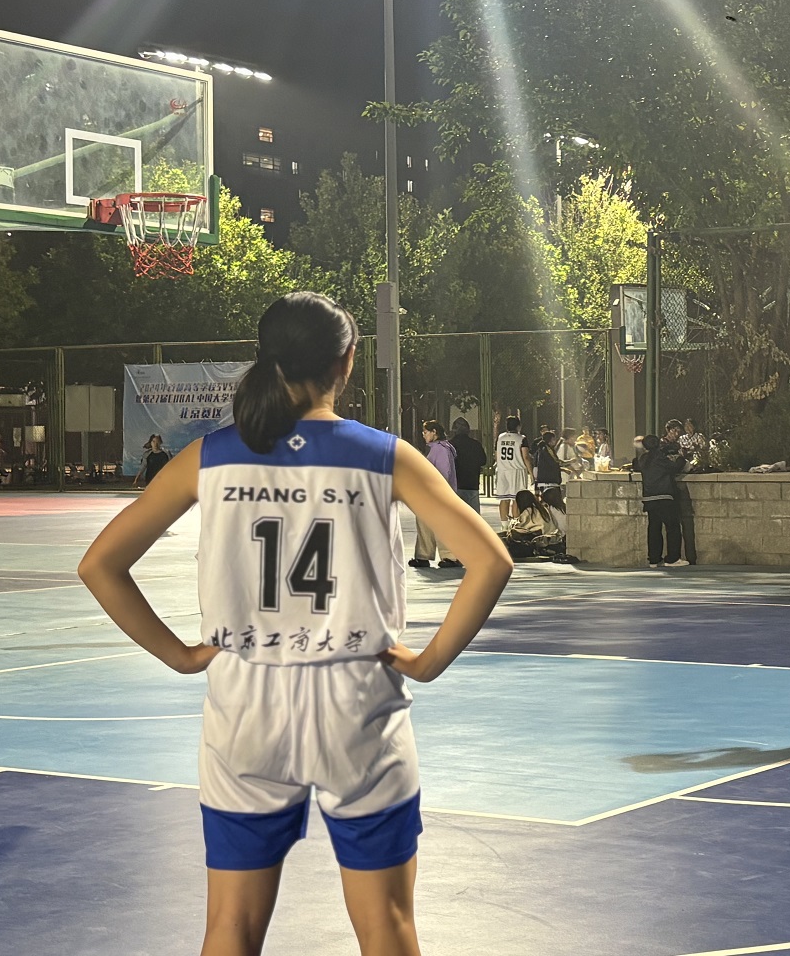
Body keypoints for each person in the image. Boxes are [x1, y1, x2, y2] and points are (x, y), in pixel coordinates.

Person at [77, 292, 512, 956]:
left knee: (230, 929)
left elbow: (100, 565)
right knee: (388, 926)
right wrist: (427, 662)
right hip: (357, 704)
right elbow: (491, 561)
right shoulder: (385, 456)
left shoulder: (210, 457)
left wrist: (180, 655)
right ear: (348, 361)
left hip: (247, 706)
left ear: (266, 359)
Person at [411, 420, 462, 570]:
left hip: (437, 494)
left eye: (426, 432)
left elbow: (443, 472)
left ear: (434, 432)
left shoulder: (440, 449)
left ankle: (450, 556)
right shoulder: (437, 448)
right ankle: (423, 555)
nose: (423, 435)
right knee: (425, 522)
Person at [633, 435, 688, 568]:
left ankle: (654, 559)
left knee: (654, 529)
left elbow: (635, 464)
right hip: (664, 496)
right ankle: (672, 558)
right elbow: (675, 467)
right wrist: (681, 458)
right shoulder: (659, 458)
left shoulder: (643, 459)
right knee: (672, 527)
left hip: (649, 498)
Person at [500, 489, 561, 558]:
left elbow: (519, 528)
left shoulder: (528, 511)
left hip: (537, 538)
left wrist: (512, 522)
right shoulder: (543, 509)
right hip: (550, 536)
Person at [494, 416, 533, 525]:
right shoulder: (521, 438)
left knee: (504, 499)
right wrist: (531, 474)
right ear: (518, 426)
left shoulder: (500, 437)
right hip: (517, 470)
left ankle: (504, 525)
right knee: (516, 499)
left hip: (502, 470)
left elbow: (496, 455)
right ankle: (515, 524)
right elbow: (526, 457)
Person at [448, 418, 487, 516]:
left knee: (456, 516)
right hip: (472, 484)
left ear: (454, 430)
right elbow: (483, 461)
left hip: (455, 484)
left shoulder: (449, 445)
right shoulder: (476, 444)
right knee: (474, 516)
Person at [533, 430, 564, 496]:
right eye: (554, 439)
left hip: (545, 480)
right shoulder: (546, 450)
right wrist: (567, 463)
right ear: (550, 440)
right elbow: (554, 463)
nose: (555, 441)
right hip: (549, 480)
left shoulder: (544, 448)